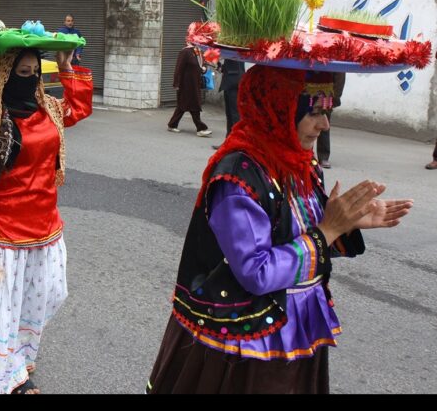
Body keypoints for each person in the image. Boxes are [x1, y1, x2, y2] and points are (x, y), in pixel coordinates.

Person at [146, 66, 413, 394]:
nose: (324, 125)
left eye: (328, 112)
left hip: (293, 328)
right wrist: (327, 231)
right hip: (248, 341)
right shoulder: (237, 177)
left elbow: (300, 232)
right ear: (278, 108)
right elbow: (256, 272)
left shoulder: (300, 163)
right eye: (314, 112)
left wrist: (348, 222)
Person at [0, 47, 93, 394]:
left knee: (48, 295)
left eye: (35, 73)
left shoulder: (48, 108)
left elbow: (78, 108)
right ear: (4, 74)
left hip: (45, 224)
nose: (30, 79)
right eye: (22, 72)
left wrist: (65, 67)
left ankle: (12, 356)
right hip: (2, 230)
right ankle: (9, 373)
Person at [167, 43, 212, 137]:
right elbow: (178, 68)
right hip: (186, 84)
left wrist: (203, 69)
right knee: (194, 105)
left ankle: (172, 124)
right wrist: (176, 83)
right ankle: (201, 128)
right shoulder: (185, 52)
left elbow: (200, 66)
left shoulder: (198, 51)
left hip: (195, 83)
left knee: (182, 106)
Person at [316, 72, 346, 169]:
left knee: (324, 124)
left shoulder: (336, 57)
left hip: (326, 93)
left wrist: (335, 96)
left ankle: (323, 156)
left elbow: (340, 75)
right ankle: (303, 152)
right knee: (304, 122)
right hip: (307, 89)